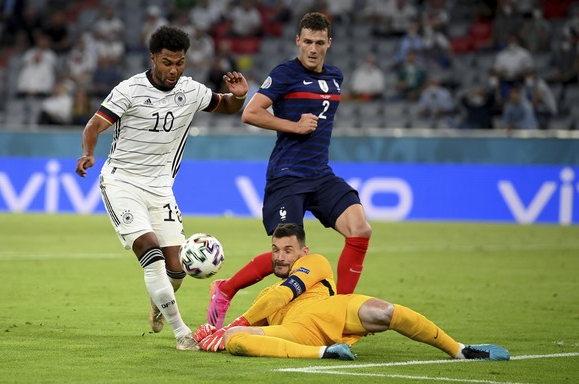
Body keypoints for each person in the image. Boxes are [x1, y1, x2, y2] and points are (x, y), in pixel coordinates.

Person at [74, 25, 249, 350]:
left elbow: (224, 106)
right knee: (151, 254)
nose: (173, 69)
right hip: (122, 182)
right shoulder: (129, 90)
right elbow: (94, 124)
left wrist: (238, 96)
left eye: (180, 62)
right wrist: (88, 154)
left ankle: (159, 302)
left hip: (161, 188)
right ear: (153, 58)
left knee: (176, 268)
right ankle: (183, 334)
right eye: (167, 62)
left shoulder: (192, 90)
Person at [206, 12, 372, 329]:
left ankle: (341, 311)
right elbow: (251, 113)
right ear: (298, 41)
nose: (312, 48)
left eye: (319, 43)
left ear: (329, 44)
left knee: (360, 229)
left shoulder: (336, 76)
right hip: (287, 175)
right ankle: (225, 289)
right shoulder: (285, 73)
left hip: (320, 174)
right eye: (307, 41)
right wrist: (294, 126)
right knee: (288, 255)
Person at [192, 223, 510, 362]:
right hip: (296, 333)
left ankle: (459, 350)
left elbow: (282, 297)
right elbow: (262, 326)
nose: (280, 256)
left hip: (335, 311)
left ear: (303, 251)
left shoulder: (314, 263)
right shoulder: (267, 292)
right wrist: (220, 335)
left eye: (288, 250)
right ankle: (324, 354)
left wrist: (233, 325)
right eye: (275, 250)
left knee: (384, 311)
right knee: (236, 343)